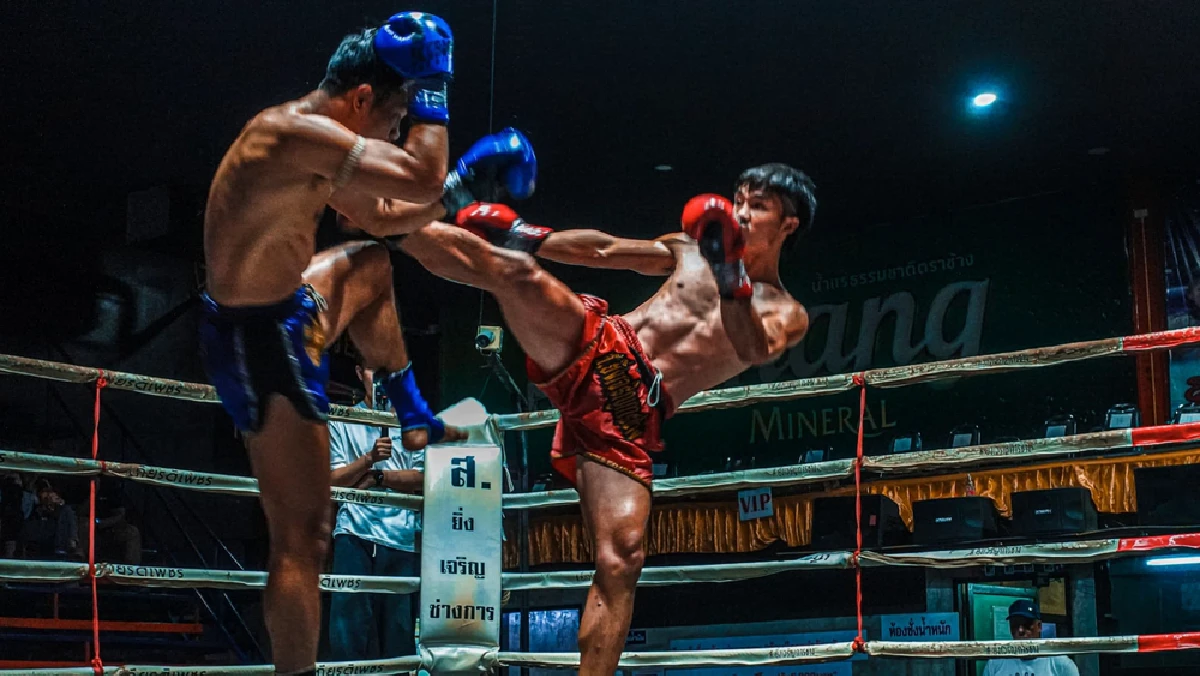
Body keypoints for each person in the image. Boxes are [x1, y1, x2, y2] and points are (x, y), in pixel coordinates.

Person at [199, 13, 533, 675]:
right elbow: (415, 176)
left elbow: (384, 216)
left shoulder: (320, 150)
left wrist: (459, 189)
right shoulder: (291, 134)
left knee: (372, 266)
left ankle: (410, 409)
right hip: (256, 339)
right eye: (395, 116)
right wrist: (434, 85)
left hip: (292, 305)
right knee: (303, 536)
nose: (394, 131)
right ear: (359, 100)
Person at [397, 163, 815, 675]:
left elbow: (753, 346)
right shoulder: (687, 249)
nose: (742, 212)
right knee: (513, 270)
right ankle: (389, 219)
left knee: (624, 557)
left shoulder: (785, 310)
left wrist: (731, 275)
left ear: (788, 224)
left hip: (633, 411)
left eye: (759, 205)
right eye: (740, 199)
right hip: (607, 348)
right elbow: (603, 250)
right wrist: (525, 233)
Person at [327, 358, 424, 661]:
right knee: (347, 635)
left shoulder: (413, 421)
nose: (381, 380)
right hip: (354, 534)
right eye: (373, 372)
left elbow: (423, 477)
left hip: (400, 538)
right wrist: (368, 460)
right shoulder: (343, 419)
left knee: (398, 638)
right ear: (359, 374)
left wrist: (379, 477)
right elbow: (331, 480)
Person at [982, 600, 1080, 676]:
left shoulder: (1059, 663)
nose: (1020, 630)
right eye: (1015, 624)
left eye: (1026, 624)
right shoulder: (995, 664)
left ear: (1039, 626)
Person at [20, 479, 78, 560]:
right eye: (45, 491)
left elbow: (71, 530)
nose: (48, 495)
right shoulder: (34, 511)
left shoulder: (65, 511)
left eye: (51, 492)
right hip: (37, 549)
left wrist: (72, 541)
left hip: (59, 550)